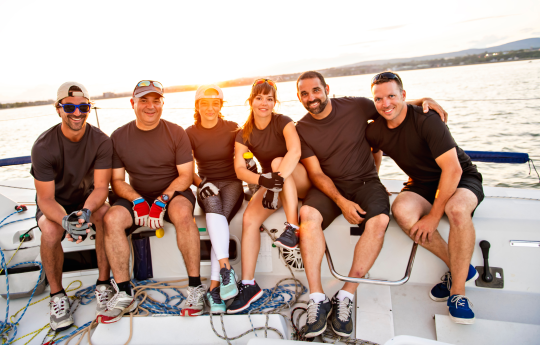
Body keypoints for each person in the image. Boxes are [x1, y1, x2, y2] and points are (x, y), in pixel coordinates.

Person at [295, 71, 447, 338]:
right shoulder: (301, 128)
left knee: (379, 221)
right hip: (331, 187)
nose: (311, 98)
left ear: (326, 88)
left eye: (316, 91)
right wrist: (341, 202)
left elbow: (391, 106)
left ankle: (346, 295)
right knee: (307, 215)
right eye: (304, 93)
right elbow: (317, 174)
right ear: (299, 97)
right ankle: (317, 298)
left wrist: (427, 99)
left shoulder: (355, 105)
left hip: (366, 182)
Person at [365, 72, 484, 324]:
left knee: (457, 210)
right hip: (422, 184)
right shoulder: (375, 129)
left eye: (391, 96)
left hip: (461, 179)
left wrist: (433, 216)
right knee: (401, 210)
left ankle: (458, 293)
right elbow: (374, 153)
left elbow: (453, 170)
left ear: (404, 96)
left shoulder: (427, 119)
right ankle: (461, 268)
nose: (385, 103)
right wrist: (375, 181)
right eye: (379, 99)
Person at [100, 80, 203, 322]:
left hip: (173, 193)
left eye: (156, 101)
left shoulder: (176, 132)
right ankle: (124, 292)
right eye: (144, 100)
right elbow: (117, 180)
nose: (151, 106)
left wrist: (161, 200)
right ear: (132, 103)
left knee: (182, 214)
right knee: (112, 218)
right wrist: (137, 201)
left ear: (162, 104)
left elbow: (186, 176)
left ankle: (195, 288)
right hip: (138, 195)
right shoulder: (119, 136)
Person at [30, 81, 113, 331]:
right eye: (69, 106)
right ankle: (57, 296)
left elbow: (101, 188)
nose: (77, 112)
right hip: (56, 202)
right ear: (58, 109)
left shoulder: (101, 141)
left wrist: (86, 212)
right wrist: (66, 220)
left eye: (83, 107)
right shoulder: (43, 147)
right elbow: (45, 199)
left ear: (89, 108)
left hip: (87, 199)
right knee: (52, 231)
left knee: (105, 215)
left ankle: (103, 285)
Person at [227, 78, 312, 314]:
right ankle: (249, 285)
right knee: (249, 220)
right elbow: (240, 170)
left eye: (269, 98)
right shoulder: (243, 133)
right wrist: (263, 181)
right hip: (273, 181)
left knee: (277, 161)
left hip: (299, 179)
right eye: (259, 98)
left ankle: (292, 227)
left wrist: (274, 184)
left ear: (275, 102)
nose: (264, 103)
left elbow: (295, 152)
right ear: (250, 101)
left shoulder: (283, 122)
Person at [185, 84, 244, 314]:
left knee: (217, 218)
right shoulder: (189, 132)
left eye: (215, 103)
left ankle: (215, 288)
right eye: (205, 103)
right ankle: (225, 272)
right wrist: (201, 183)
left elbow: (245, 158)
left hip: (231, 183)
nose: (210, 108)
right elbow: (188, 169)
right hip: (206, 183)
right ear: (197, 106)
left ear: (221, 106)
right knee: (212, 206)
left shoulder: (233, 128)